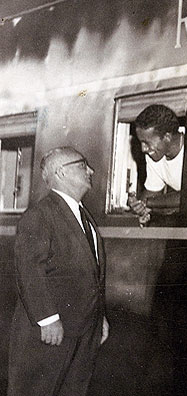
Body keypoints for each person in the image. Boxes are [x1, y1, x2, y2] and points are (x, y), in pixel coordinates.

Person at [8, 147, 108, 396]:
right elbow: (29, 270)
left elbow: (91, 271)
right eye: (82, 165)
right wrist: (48, 319)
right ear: (61, 172)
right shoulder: (39, 215)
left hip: (83, 330)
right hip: (52, 331)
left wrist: (100, 318)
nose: (91, 171)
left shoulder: (83, 215)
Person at [127, 104, 184, 223]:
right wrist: (138, 206)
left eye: (146, 142)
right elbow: (151, 193)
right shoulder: (154, 154)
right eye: (141, 142)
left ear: (167, 137)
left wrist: (148, 203)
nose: (143, 149)